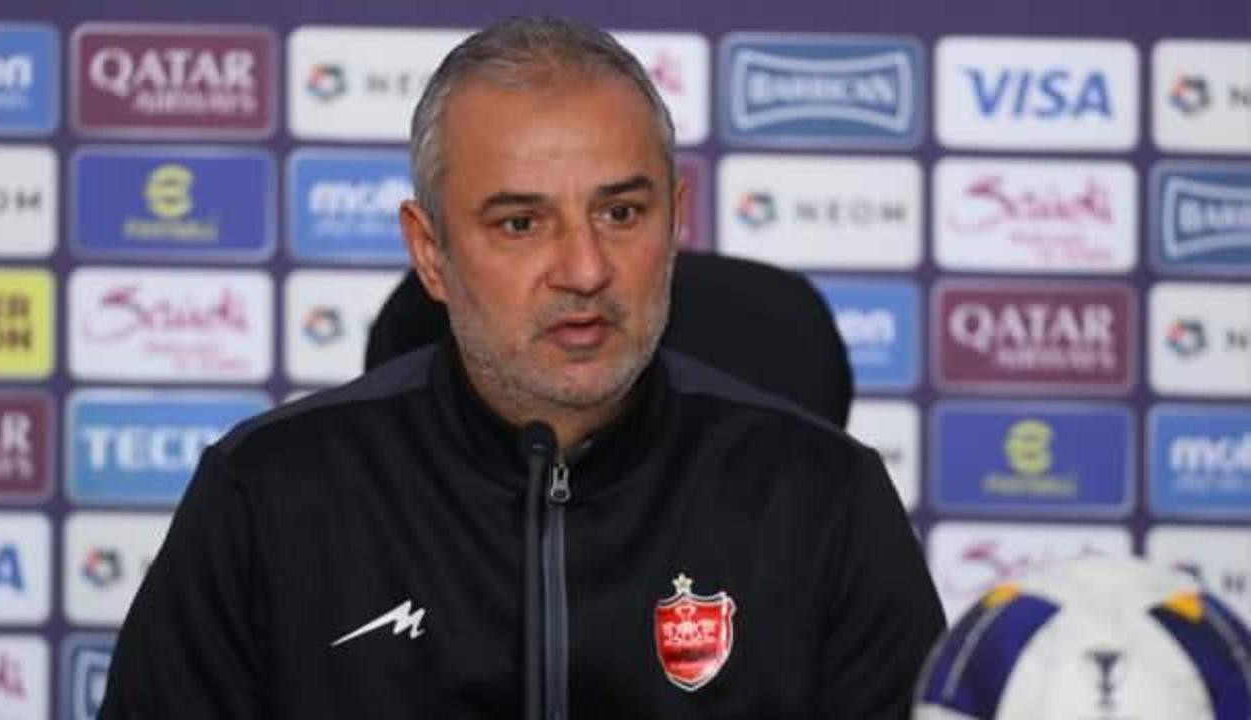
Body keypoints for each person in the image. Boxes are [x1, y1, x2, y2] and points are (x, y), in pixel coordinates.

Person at [99, 16, 945, 719]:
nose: (585, 269)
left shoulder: (825, 498)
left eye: (622, 212)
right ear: (430, 252)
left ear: (676, 220)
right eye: (519, 224)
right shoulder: (268, 495)